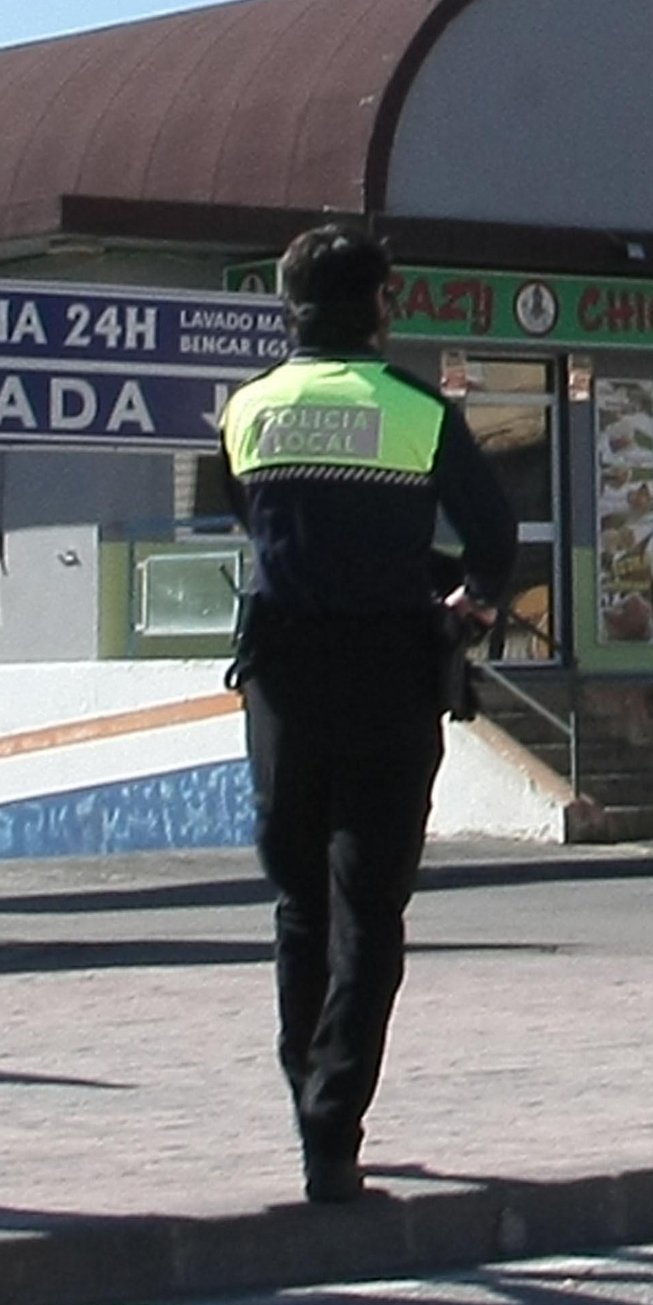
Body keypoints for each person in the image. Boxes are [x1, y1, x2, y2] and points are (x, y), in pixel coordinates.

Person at [219, 225, 517, 1204]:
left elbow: (244, 513)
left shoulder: (248, 409)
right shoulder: (417, 409)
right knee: (369, 905)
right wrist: (469, 600)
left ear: (288, 302)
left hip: (282, 675)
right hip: (388, 673)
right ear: (381, 301)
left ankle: (308, 1091)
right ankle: (332, 1123)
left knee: (299, 902)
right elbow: (493, 530)